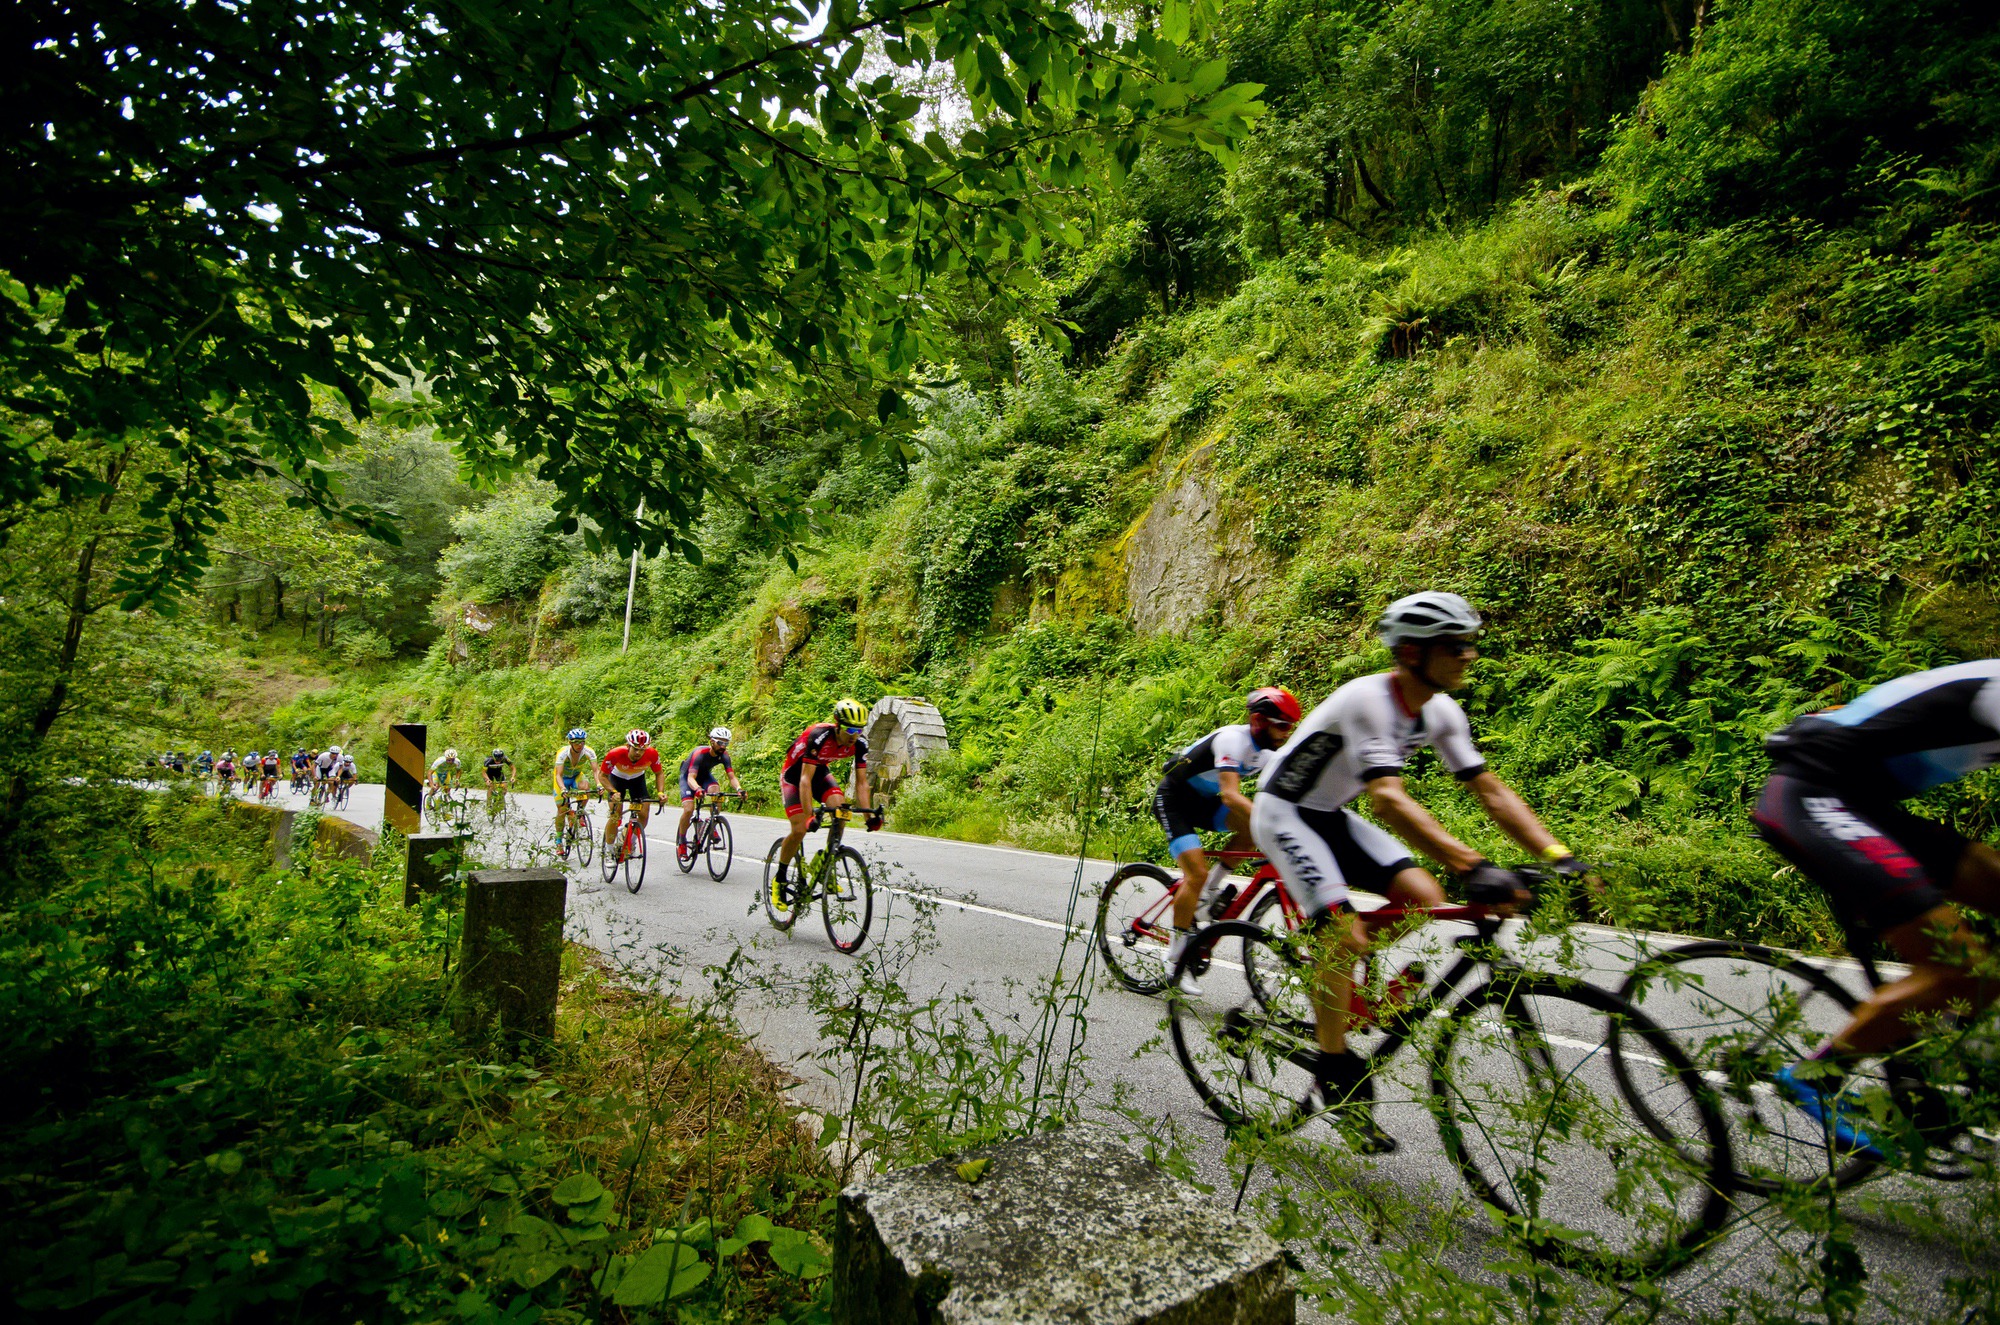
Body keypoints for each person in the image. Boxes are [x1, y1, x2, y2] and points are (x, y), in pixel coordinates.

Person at [1251, 592, 1578, 1151]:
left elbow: (1490, 791)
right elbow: (1388, 799)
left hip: (1330, 813)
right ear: (1411, 653)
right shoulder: (1368, 701)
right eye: (1455, 646)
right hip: (1283, 812)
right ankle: (1335, 1069)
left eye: (1471, 643)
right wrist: (1473, 864)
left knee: (1424, 897)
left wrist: (1557, 855)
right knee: (1343, 936)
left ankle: (1336, 967)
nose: (1469, 655)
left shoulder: (1441, 711)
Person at [1754, 660, 2000, 1158]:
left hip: (1864, 806)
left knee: (1980, 971)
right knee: (1963, 967)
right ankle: (1814, 1075)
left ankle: (1935, 1047)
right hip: (1811, 796)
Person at [1156, 687, 1302, 988]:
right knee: (1196, 873)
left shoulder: (1270, 754)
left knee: (1251, 830)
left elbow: (1288, 794)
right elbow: (1231, 795)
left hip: (1205, 804)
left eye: (1291, 726)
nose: (1286, 733)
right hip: (1174, 799)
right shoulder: (1232, 740)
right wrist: (1271, 823)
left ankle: (1209, 892)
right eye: (1282, 725)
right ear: (1259, 720)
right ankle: (1174, 960)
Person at [773, 699, 882, 910]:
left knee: (842, 810)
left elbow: (862, 783)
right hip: (795, 776)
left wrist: (869, 817)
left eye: (859, 730)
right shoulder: (819, 736)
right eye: (850, 729)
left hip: (818, 770)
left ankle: (825, 862)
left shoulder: (860, 743)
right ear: (838, 725)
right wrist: (809, 817)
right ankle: (780, 879)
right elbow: (805, 780)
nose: (854, 735)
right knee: (799, 829)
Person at [677, 726, 744, 850]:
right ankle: (681, 842)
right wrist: (698, 789)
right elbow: (691, 778)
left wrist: (739, 789)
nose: (723, 746)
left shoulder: (725, 756)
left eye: (726, 743)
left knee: (716, 791)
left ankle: (711, 823)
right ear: (712, 742)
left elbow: (732, 777)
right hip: (688, 777)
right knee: (689, 809)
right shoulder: (700, 754)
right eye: (720, 743)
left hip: (704, 776)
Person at [599, 731, 663, 850]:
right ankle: (609, 849)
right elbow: (602, 776)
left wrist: (660, 792)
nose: (638, 753)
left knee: (644, 814)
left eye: (642, 750)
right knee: (615, 814)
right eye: (635, 749)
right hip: (617, 779)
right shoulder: (615, 753)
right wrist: (613, 792)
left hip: (637, 780)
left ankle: (630, 842)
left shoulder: (652, 754)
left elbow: (659, 773)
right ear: (628, 746)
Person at [552, 728, 598, 843]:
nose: (580, 745)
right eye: (576, 742)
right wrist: (563, 788)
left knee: (585, 787)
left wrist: (599, 784)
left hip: (576, 776)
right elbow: (558, 775)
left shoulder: (588, 751)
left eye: (582, 742)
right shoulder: (563, 753)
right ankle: (558, 840)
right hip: (562, 780)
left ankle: (580, 812)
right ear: (570, 742)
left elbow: (596, 771)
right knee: (562, 809)